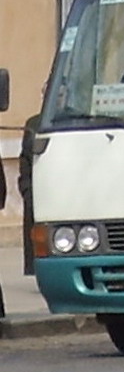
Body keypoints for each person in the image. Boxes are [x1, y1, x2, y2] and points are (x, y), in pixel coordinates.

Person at [18, 114, 39, 276]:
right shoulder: (33, 123)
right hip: (35, 187)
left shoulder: (74, 120)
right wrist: (25, 186)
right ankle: (35, 268)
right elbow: (25, 158)